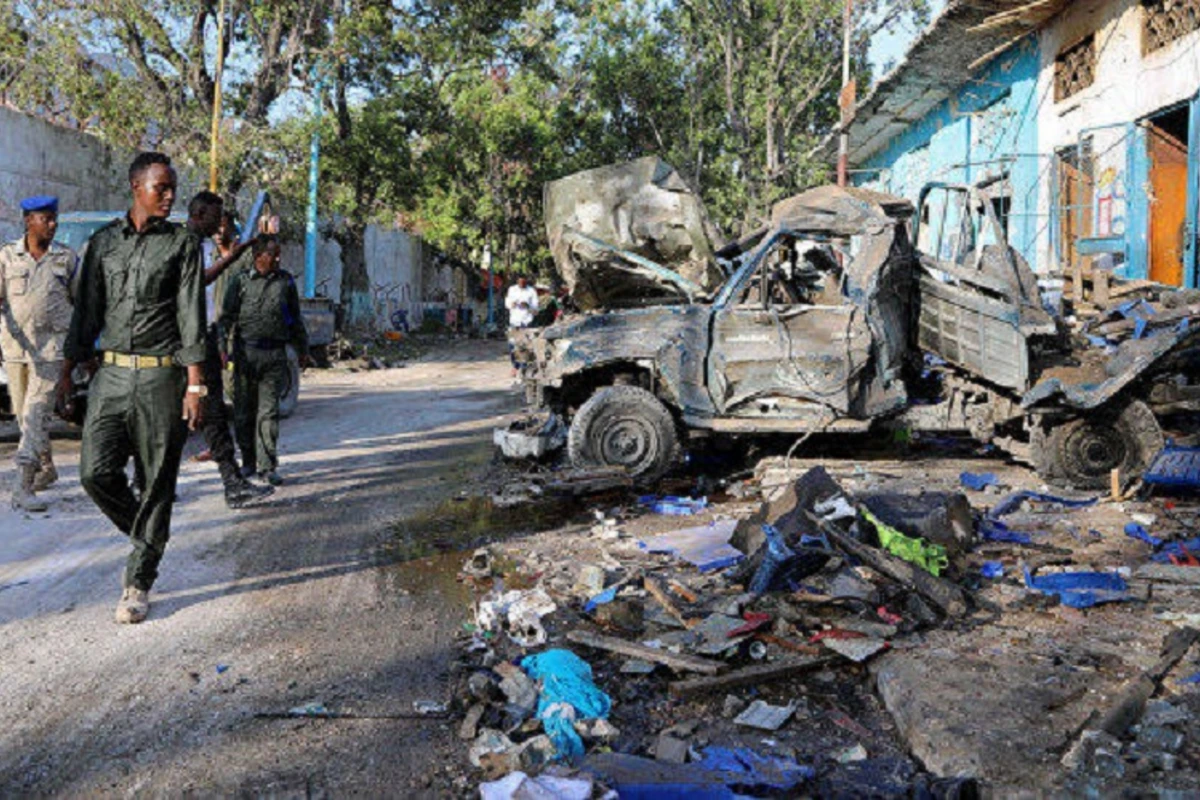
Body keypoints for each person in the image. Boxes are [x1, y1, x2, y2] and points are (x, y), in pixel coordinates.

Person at [58, 151, 206, 625]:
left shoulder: (182, 244)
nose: (169, 196)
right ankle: (148, 535)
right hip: (112, 375)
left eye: (172, 188)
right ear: (135, 187)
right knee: (93, 473)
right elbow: (86, 314)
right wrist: (67, 371)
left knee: (157, 479)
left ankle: (137, 582)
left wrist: (195, 386)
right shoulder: (103, 245)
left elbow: (191, 316)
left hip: (163, 377)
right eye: (160, 187)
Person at [185, 193, 273, 509]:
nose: (220, 222)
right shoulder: (186, 243)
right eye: (216, 216)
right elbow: (197, 283)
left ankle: (232, 480)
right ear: (200, 212)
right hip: (189, 340)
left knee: (210, 413)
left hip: (203, 337)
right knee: (207, 413)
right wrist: (232, 258)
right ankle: (232, 482)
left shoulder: (201, 244)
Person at [0, 195, 77, 511]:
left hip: (51, 351)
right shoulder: (7, 257)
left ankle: (22, 485)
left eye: (54, 217)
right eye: (46, 218)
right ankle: (46, 467)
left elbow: (81, 303)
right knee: (23, 416)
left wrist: (81, 351)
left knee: (34, 415)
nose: (53, 224)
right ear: (28, 221)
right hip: (16, 349)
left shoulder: (66, 258)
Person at [219, 235, 308, 487]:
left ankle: (267, 466)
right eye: (273, 254)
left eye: (278, 254)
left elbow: (294, 318)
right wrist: (222, 348)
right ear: (258, 256)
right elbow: (226, 319)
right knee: (243, 412)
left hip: (274, 356)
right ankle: (248, 461)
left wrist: (302, 349)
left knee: (268, 413)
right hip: (246, 355)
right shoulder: (241, 282)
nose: (278, 259)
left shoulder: (285, 281)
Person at [504, 275, 539, 375]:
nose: (522, 284)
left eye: (524, 282)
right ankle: (515, 366)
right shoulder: (512, 290)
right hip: (514, 321)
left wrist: (528, 306)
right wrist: (512, 304)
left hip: (526, 321)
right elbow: (507, 303)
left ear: (526, 281)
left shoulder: (531, 291)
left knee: (526, 345)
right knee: (512, 344)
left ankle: (525, 366)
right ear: (517, 281)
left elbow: (536, 309)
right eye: (520, 282)